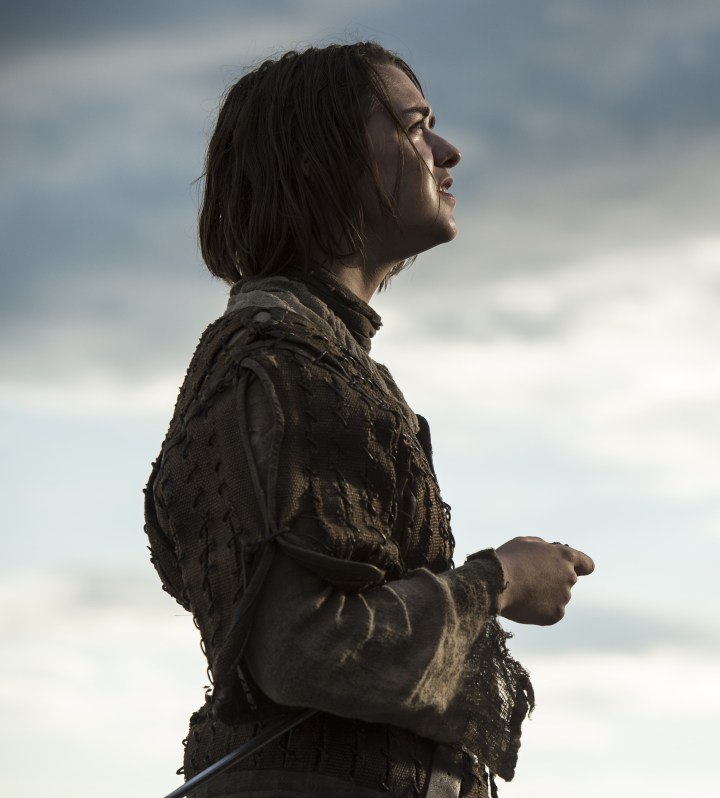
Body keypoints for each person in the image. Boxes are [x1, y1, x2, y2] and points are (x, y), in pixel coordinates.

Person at [144, 41, 594, 798]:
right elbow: (305, 649)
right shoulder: (282, 365)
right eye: (414, 127)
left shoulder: (315, 360)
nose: (447, 152)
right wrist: (502, 581)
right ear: (319, 161)